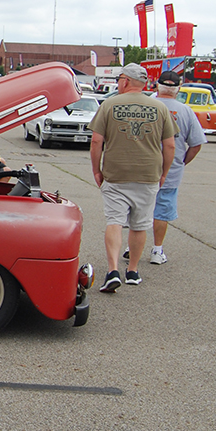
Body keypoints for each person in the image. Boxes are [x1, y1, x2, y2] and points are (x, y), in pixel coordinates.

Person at [89, 63, 176, 293]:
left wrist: (96, 169)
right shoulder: (160, 108)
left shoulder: (108, 104)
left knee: (115, 221)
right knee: (140, 224)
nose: (118, 83)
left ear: (126, 81)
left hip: (116, 173)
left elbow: (97, 140)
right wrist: (164, 173)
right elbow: (169, 145)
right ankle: (133, 271)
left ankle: (113, 269)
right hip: (148, 174)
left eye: (119, 79)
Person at [142, 70, 206, 264]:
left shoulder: (146, 106)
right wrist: (181, 161)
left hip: (142, 168)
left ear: (157, 86)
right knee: (162, 211)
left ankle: (132, 246)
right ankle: (157, 250)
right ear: (178, 89)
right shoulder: (185, 111)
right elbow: (196, 143)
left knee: (139, 208)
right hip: (170, 172)